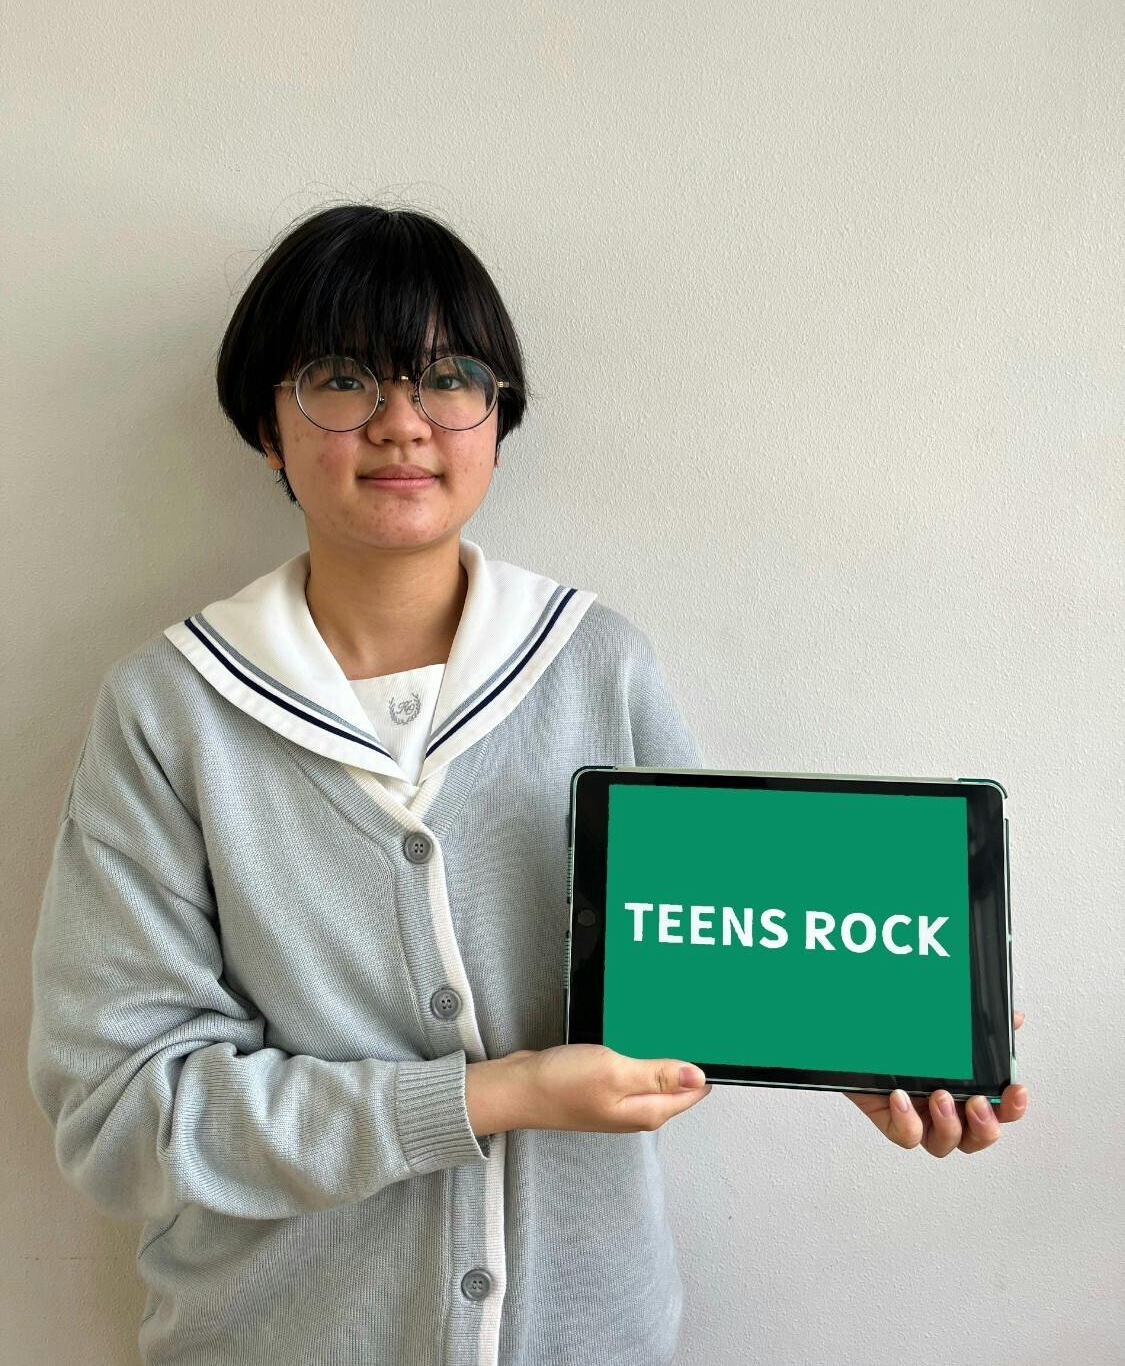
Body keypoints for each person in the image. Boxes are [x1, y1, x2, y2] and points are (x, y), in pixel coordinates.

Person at [26, 203, 1028, 1366]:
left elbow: (715, 959)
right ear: (267, 427)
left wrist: (847, 1041)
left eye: (449, 378)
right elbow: (124, 1114)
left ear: (498, 420)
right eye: (343, 379)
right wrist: (491, 1097)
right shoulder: (171, 711)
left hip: (586, 1334)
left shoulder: (597, 665)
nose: (403, 423)